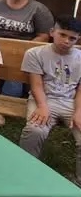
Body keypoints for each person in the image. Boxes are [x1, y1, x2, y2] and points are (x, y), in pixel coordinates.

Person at [18, 15, 81, 187]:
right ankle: (25, 171)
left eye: (72, 38)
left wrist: (78, 112)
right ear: (52, 32)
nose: (66, 41)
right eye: (62, 35)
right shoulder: (35, 54)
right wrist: (42, 106)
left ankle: (79, 182)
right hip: (43, 99)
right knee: (35, 130)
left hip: (71, 102)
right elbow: (36, 85)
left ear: (78, 39)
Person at [0, 0, 54, 100]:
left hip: (23, 53)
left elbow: (44, 35)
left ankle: (6, 102)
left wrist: (24, 49)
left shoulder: (38, 9)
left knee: (14, 75)